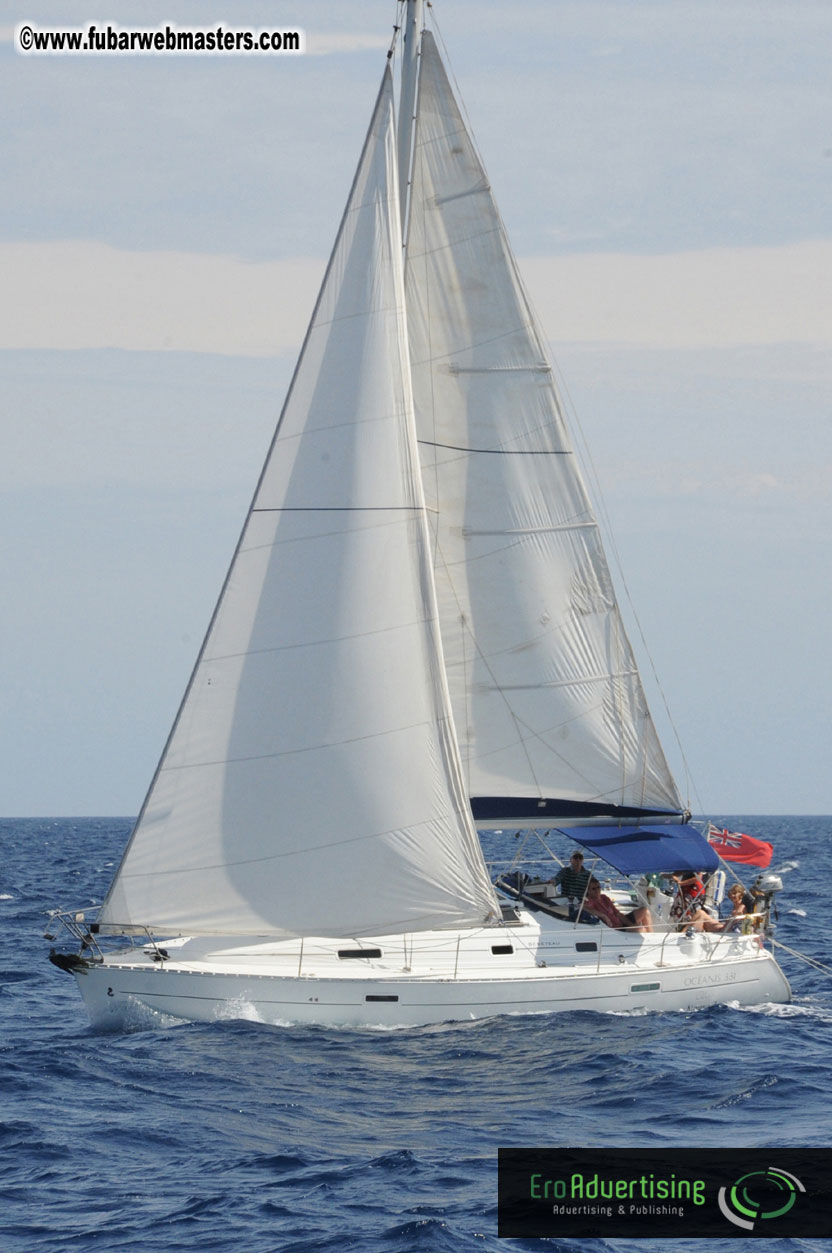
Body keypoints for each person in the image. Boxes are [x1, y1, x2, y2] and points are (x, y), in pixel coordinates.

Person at [581, 877, 653, 932]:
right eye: (593, 889)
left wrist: (631, 924)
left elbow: (617, 914)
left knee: (645, 911)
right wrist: (603, 915)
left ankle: (652, 936)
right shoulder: (589, 901)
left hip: (620, 922)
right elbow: (584, 907)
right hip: (614, 929)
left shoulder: (604, 897)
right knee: (641, 929)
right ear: (588, 890)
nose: (597, 890)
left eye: (598, 887)